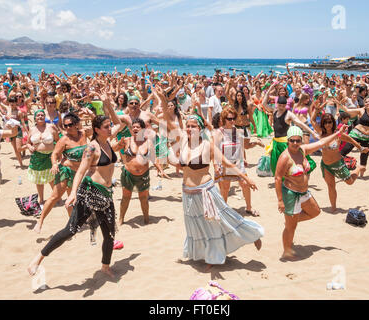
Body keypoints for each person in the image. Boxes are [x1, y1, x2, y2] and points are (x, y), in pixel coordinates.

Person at [155, 87, 264, 269]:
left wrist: (246, 178)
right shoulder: (182, 139)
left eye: (193, 126)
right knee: (195, 226)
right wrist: (162, 99)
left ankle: (247, 237)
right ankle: (206, 253)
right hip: (188, 193)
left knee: (221, 221)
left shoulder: (207, 145)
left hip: (206, 192)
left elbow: (227, 164)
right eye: (188, 126)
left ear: (200, 128)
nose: (189, 129)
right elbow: (167, 119)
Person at [28, 115, 119, 278]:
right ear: (97, 130)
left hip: (106, 194)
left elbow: (121, 123)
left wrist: (106, 103)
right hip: (90, 192)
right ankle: (38, 259)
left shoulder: (107, 142)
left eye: (109, 125)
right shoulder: (92, 147)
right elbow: (82, 170)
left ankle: (105, 267)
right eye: (106, 126)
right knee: (70, 230)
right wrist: (73, 193)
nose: (110, 128)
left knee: (110, 233)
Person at [275, 125, 347, 260]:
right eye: (292, 140)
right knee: (291, 228)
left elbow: (321, 142)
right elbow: (278, 178)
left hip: (303, 192)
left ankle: (291, 220)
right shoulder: (285, 157)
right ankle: (287, 252)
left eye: (298, 140)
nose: (295, 143)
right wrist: (280, 200)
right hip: (290, 194)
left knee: (315, 212)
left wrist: (338, 133)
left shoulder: (302, 150)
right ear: (288, 141)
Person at [33, 113, 92, 234]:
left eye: (70, 125)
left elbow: (98, 128)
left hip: (78, 173)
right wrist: (54, 164)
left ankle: (73, 222)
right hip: (66, 171)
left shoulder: (84, 133)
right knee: (55, 196)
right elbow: (54, 154)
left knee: (73, 198)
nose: (68, 128)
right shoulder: (64, 139)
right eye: (65, 126)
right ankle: (40, 222)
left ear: (76, 124)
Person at [113, 118, 167, 226]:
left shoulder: (148, 142)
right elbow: (113, 149)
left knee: (143, 198)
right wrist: (119, 144)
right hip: (128, 173)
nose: (135, 129)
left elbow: (153, 158)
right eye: (133, 127)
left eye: (138, 127)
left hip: (143, 174)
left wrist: (160, 169)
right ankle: (121, 219)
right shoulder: (127, 140)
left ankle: (146, 219)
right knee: (126, 197)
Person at [311, 113, 368, 212]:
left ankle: (358, 168)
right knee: (331, 186)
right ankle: (333, 207)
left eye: (330, 122)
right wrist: (315, 109)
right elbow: (312, 120)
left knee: (350, 182)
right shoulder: (321, 133)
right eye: (325, 122)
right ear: (323, 124)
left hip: (338, 164)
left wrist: (361, 148)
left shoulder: (338, 134)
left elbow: (351, 140)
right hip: (326, 165)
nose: (328, 124)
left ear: (333, 123)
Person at [213, 107, 260, 216]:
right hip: (224, 164)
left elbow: (241, 147)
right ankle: (224, 210)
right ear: (224, 119)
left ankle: (249, 208)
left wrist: (243, 158)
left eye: (234, 118)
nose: (232, 121)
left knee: (245, 184)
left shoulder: (239, 131)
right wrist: (215, 165)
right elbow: (215, 151)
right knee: (225, 187)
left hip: (238, 163)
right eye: (230, 119)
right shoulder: (219, 133)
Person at [263, 90, 319, 175]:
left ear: (286, 105)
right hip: (276, 142)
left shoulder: (288, 114)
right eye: (279, 105)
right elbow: (264, 104)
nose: (281, 107)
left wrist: (313, 133)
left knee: (291, 162)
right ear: (277, 104)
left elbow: (300, 123)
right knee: (276, 164)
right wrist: (269, 90)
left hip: (285, 142)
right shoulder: (274, 111)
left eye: (283, 105)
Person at [25, 110, 60, 205]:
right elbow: (27, 142)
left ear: (45, 117)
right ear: (35, 118)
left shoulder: (51, 127)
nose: (40, 117)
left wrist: (58, 154)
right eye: (38, 115)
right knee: (39, 180)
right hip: (37, 158)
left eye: (42, 115)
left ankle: (56, 197)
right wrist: (29, 146)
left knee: (52, 178)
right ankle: (41, 199)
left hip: (49, 157)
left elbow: (58, 141)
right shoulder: (32, 129)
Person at [339, 96, 369, 176]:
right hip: (357, 134)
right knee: (345, 150)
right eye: (366, 102)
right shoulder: (361, 110)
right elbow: (347, 110)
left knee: (364, 156)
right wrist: (339, 103)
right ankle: (336, 167)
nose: (368, 103)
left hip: (368, 138)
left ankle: (361, 175)